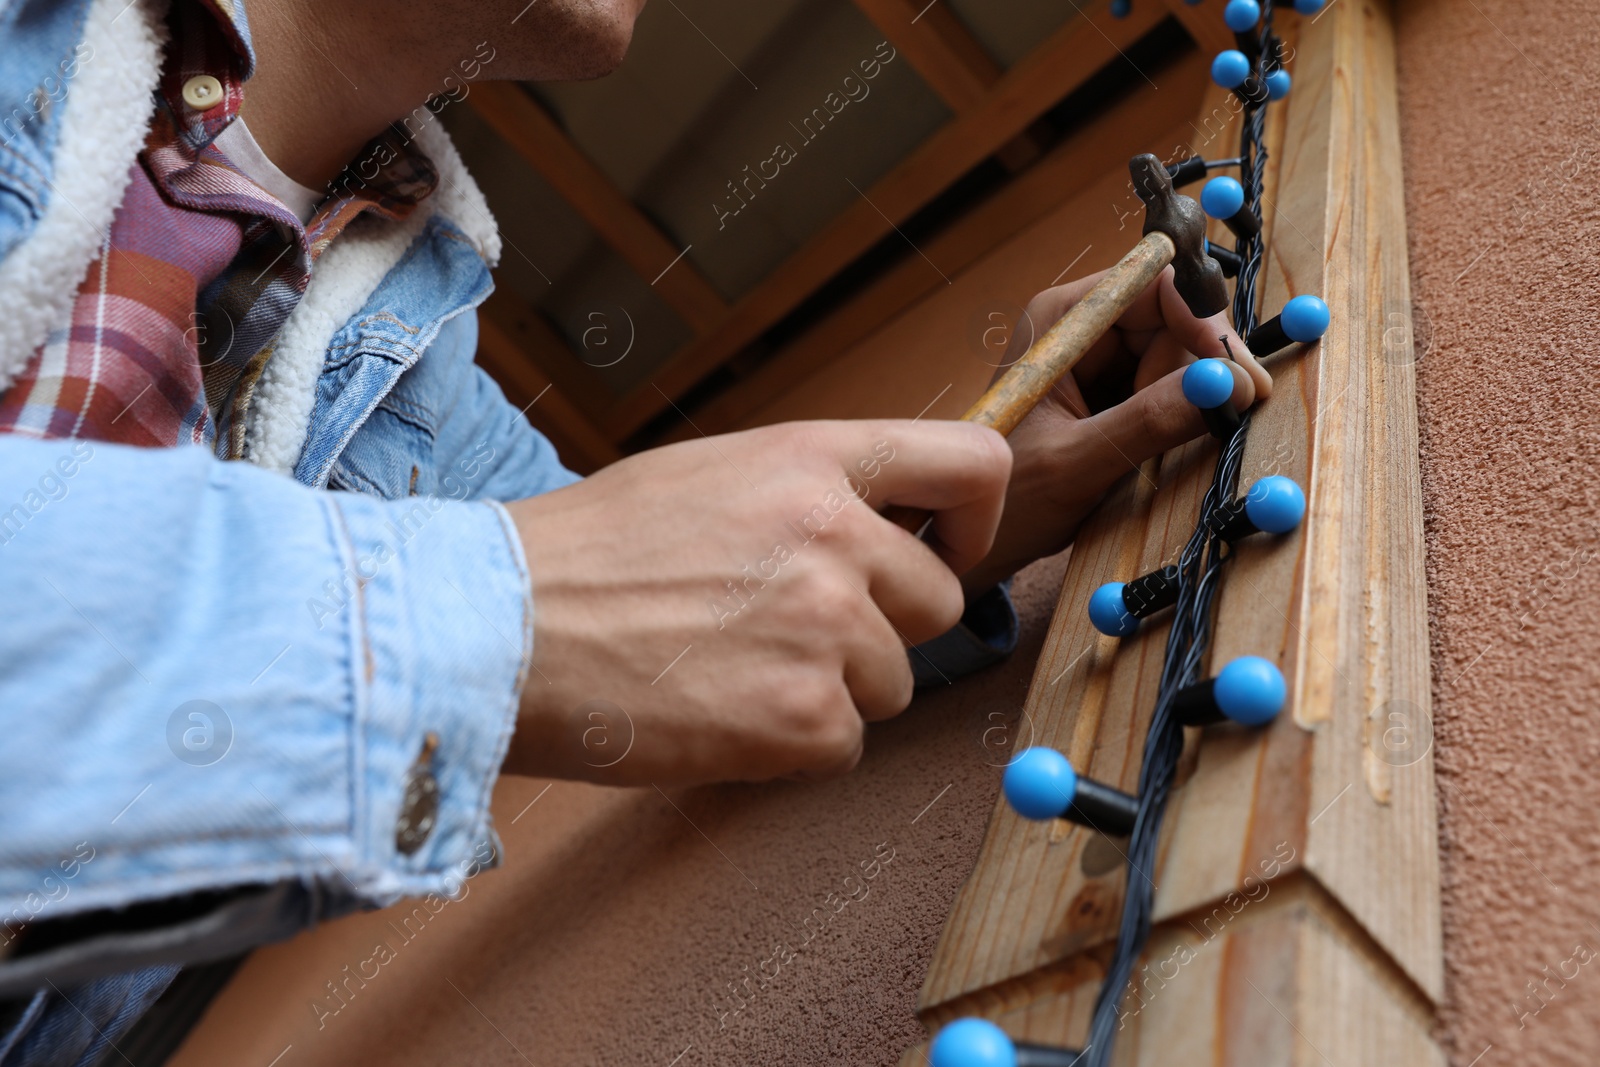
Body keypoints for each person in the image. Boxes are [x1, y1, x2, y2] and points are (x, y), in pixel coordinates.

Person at [0, 0, 1269, 1061]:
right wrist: (507, 606)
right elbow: (558, 600)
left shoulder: (421, 370)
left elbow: (680, 640)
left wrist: (984, 509)